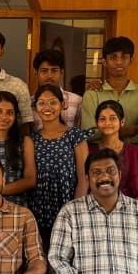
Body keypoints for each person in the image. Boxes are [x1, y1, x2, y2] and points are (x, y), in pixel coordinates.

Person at [29, 84, 89, 244]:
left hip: (68, 207)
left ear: (63, 105)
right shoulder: (32, 139)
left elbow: (84, 178)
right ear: (35, 108)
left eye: (53, 102)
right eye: (41, 103)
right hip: (38, 210)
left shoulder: (75, 136)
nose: (47, 107)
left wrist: (75, 211)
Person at [81, 36, 138, 142]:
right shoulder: (92, 94)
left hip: (134, 150)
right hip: (100, 151)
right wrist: (123, 131)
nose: (119, 62)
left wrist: (123, 145)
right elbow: (88, 133)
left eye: (124, 57)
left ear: (131, 60)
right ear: (104, 62)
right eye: (113, 57)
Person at [83, 100, 138, 201]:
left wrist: (134, 211)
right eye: (102, 119)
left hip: (130, 208)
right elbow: (84, 185)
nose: (107, 123)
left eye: (113, 118)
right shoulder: (88, 151)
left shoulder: (134, 152)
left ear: (122, 122)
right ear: (96, 123)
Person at [33, 49, 81, 130]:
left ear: (62, 73)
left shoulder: (77, 101)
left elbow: (81, 132)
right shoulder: (30, 103)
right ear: (36, 73)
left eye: (54, 70)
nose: (49, 75)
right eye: (44, 71)